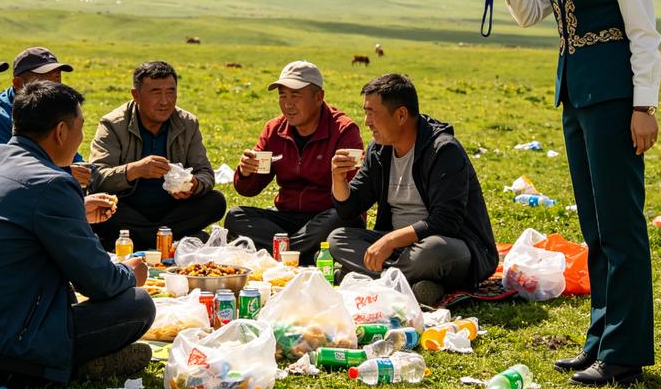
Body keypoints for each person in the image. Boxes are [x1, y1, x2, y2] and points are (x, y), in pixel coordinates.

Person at [485, 0, 661, 387]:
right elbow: (532, 12)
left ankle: (626, 354)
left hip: (615, 99)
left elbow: (643, 31)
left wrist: (646, 106)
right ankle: (599, 343)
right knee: (595, 226)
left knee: (621, 227)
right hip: (577, 98)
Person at [0, 81, 155, 386]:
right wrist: (130, 273)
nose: (80, 141)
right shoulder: (53, 182)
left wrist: (77, 213)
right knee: (137, 304)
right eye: (80, 129)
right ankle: (60, 366)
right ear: (60, 132)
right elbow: (100, 282)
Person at [327, 73, 497, 308]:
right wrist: (338, 179)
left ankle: (372, 280)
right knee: (338, 238)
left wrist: (390, 241)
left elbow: (446, 222)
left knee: (434, 251)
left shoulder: (443, 151)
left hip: (451, 246)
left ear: (401, 115)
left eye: (372, 113)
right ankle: (418, 287)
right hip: (401, 251)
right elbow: (350, 208)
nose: (366, 121)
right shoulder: (379, 151)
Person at [225, 61, 364, 265]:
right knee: (236, 216)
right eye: (283, 95)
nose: (288, 104)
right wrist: (245, 172)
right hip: (287, 218)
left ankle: (279, 253)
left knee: (340, 219)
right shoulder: (274, 129)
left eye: (295, 96)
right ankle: (304, 254)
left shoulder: (343, 131)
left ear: (319, 97)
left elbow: (353, 196)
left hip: (326, 215)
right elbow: (249, 189)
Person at [87, 61, 226, 250]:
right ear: (136, 95)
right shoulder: (112, 124)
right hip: (128, 208)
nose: (165, 101)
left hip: (173, 209)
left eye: (171, 92)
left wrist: (193, 185)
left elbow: (206, 173)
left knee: (215, 202)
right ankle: (168, 239)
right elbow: (97, 178)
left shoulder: (188, 123)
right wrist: (134, 170)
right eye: (156, 93)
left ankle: (144, 239)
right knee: (102, 208)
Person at [0, 46, 88, 187]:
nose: (54, 89)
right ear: (18, 84)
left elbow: (73, 156)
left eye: (57, 78)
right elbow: (7, 171)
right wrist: (64, 171)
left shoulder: (56, 110)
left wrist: (84, 171)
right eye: (44, 81)